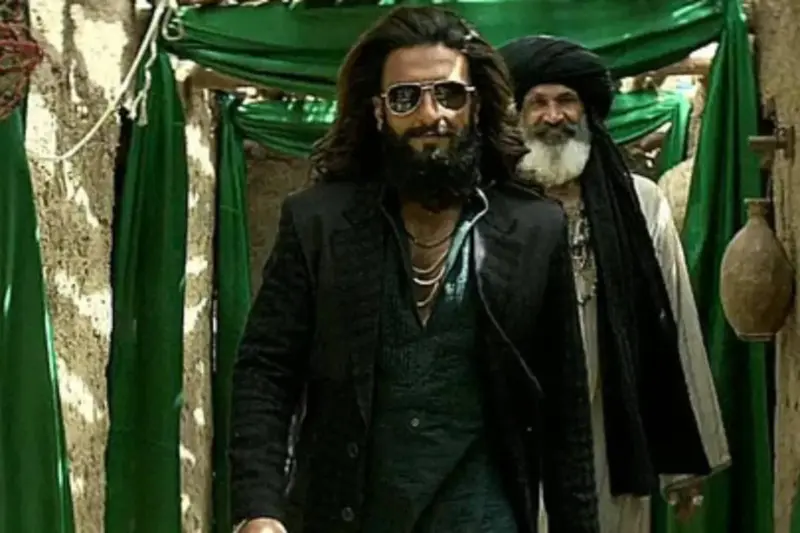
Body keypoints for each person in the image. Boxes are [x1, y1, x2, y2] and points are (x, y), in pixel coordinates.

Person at [230, 8, 601, 533]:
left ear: (475, 106)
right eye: (406, 98)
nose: (432, 115)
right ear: (380, 112)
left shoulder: (535, 229)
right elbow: (267, 371)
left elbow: (565, 409)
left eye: (449, 95)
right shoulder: (318, 223)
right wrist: (258, 510)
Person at [498, 35, 731, 533]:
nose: (553, 116)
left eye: (566, 101)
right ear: (518, 116)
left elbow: (675, 321)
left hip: (612, 423)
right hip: (516, 428)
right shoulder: (493, 208)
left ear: (588, 113)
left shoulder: (641, 203)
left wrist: (687, 462)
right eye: (537, 103)